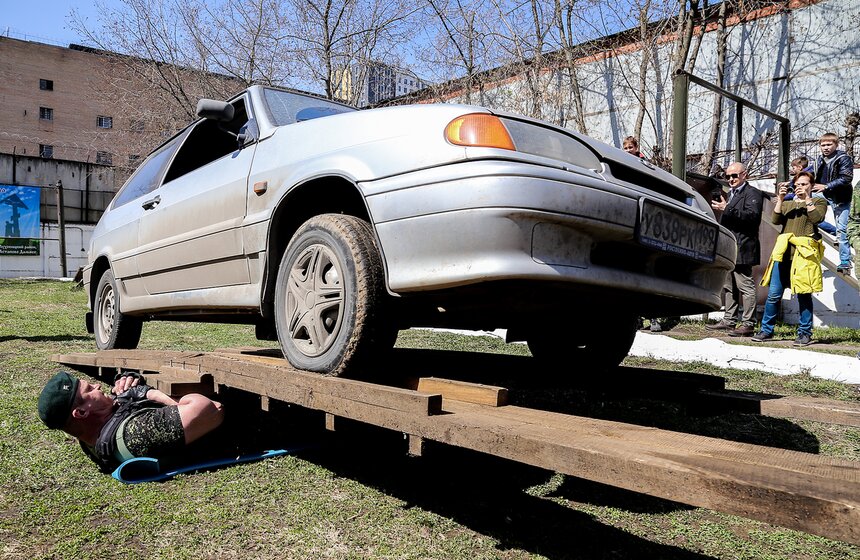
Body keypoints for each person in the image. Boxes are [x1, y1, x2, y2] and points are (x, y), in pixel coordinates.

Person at [37, 370, 224, 473]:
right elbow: (213, 409)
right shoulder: (136, 432)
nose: (97, 385)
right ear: (81, 412)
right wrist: (150, 393)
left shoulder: (90, 435)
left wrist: (127, 382)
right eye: (90, 389)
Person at [753, 171, 826, 346]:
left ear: (811, 186)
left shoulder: (818, 202)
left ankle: (805, 333)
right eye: (798, 184)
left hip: (803, 255)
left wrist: (807, 199)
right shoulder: (788, 203)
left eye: (804, 184)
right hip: (783, 254)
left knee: (803, 295)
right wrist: (780, 198)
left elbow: (817, 218)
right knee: (773, 295)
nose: (801, 187)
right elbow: (775, 219)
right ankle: (766, 331)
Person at [706, 162, 764, 337]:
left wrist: (727, 208)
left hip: (743, 246)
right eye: (728, 176)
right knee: (729, 285)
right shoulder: (731, 194)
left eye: (734, 175)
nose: (730, 179)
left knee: (745, 285)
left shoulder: (752, 193)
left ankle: (748, 323)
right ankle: (729, 320)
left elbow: (753, 217)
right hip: (730, 246)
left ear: (744, 175)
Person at [812, 133, 855, 272]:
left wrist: (826, 186)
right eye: (823, 145)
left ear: (836, 145)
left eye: (829, 144)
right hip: (824, 194)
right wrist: (790, 185)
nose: (826, 147)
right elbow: (807, 174)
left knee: (842, 229)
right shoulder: (819, 160)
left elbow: (846, 178)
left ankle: (845, 261)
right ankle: (831, 231)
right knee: (800, 202)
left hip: (840, 197)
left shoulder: (843, 158)